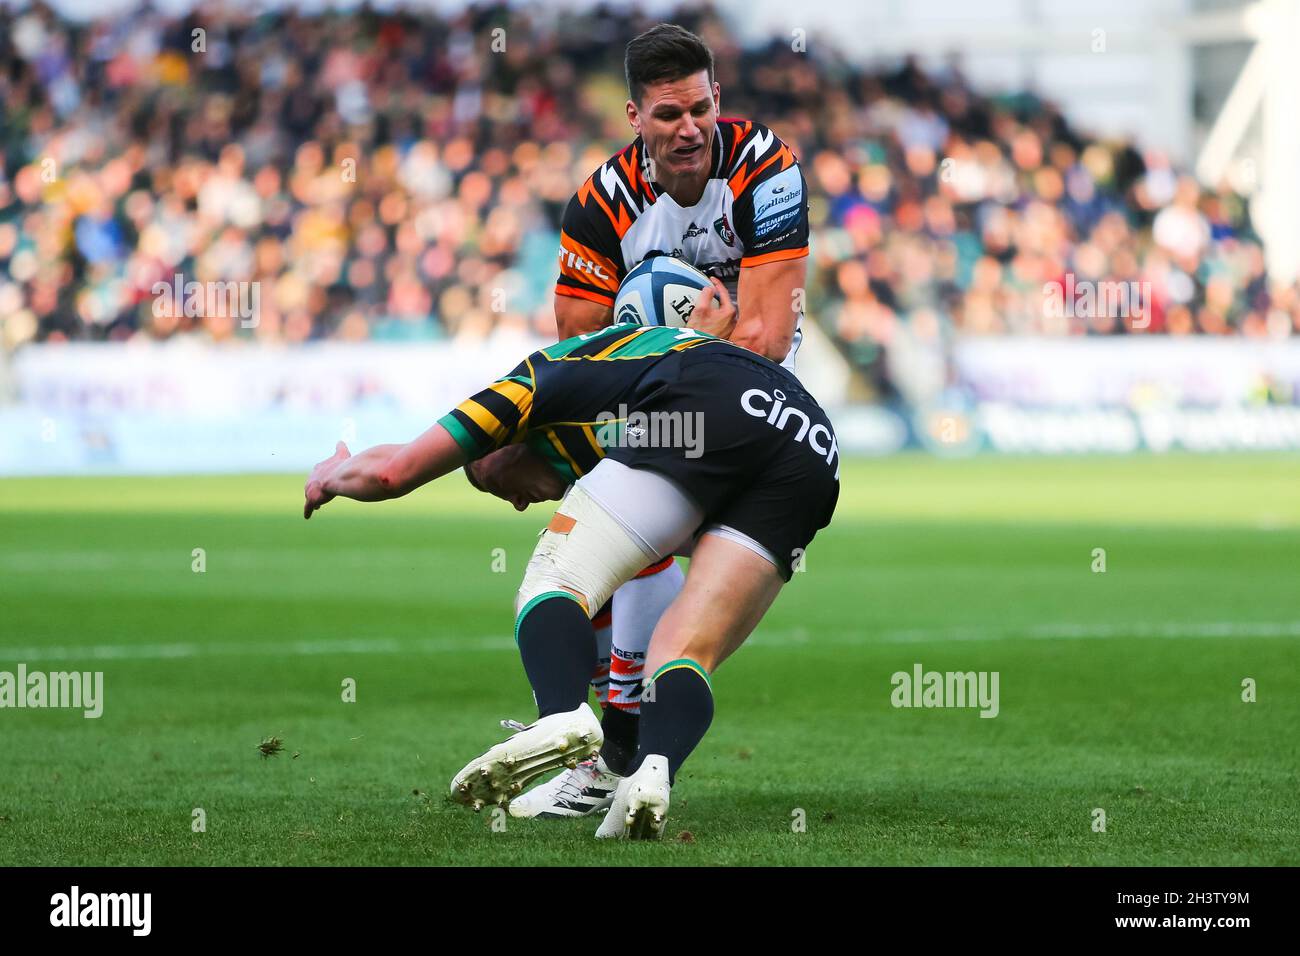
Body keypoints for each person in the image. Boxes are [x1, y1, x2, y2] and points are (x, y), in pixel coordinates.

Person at [303, 322, 839, 838]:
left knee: (557, 577)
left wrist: (330, 476)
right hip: (810, 442)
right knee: (686, 651)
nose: (515, 502)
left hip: (706, 401)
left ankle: (561, 716)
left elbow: (395, 471)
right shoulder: (594, 417)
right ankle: (650, 774)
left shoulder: (529, 383)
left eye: (495, 482)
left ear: (506, 440)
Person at [466, 23, 815, 818]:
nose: (689, 128)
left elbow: (760, 339)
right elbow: (583, 354)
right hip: (661, 410)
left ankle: (604, 748)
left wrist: (681, 351)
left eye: (700, 108)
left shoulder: (766, 168)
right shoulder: (601, 202)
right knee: (494, 464)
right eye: (668, 115)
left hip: (753, 409)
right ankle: (634, 755)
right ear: (634, 117)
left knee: (611, 529)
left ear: (718, 99)